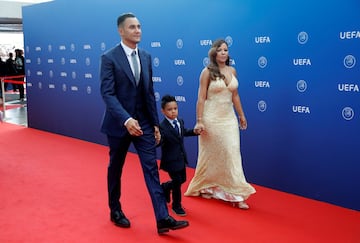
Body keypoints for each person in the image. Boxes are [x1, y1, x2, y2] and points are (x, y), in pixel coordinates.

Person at [100, 13, 189, 234]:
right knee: (116, 168)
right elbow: (108, 94)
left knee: (151, 169)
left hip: (145, 125)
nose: (137, 30)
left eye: (139, 26)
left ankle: (162, 218)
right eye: (132, 27)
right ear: (121, 31)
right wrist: (126, 119)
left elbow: (149, 93)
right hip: (120, 124)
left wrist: (156, 125)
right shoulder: (109, 57)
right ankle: (115, 209)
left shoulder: (147, 57)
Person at [184, 39, 256, 209]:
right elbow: (201, 98)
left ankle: (236, 195)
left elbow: (235, 95)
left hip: (228, 118)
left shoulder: (232, 70)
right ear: (214, 53)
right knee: (211, 155)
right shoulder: (207, 72)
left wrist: (241, 115)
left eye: (226, 50)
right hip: (211, 119)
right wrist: (199, 120)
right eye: (220, 50)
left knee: (232, 152)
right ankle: (208, 187)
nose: (224, 52)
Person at [158, 95, 199, 217]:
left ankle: (165, 186)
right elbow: (161, 141)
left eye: (175, 108)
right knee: (177, 182)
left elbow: (183, 132)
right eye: (169, 109)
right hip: (170, 160)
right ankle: (177, 205)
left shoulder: (180, 121)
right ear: (163, 111)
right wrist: (157, 140)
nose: (173, 111)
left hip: (181, 158)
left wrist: (194, 132)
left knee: (182, 180)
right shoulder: (162, 127)